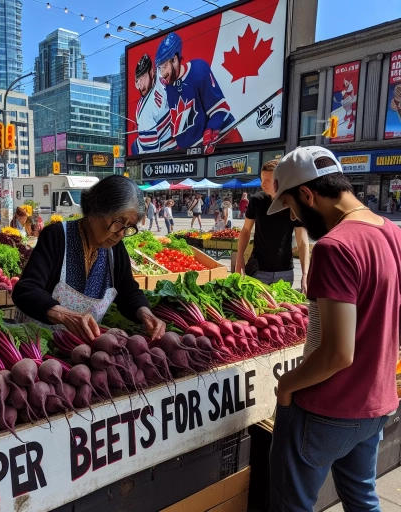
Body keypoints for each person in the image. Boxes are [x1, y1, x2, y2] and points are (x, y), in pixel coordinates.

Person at [268, 146, 401, 511]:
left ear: (308, 195)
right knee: (362, 498)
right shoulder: (393, 233)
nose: (296, 219)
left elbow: (337, 353)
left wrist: (286, 384)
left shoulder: (335, 246)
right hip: (376, 403)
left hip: (328, 408)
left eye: (294, 209)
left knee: (290, 504)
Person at [12, 176, 166, 342]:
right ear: (94, 210)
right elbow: (25, 290)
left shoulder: (115, 249)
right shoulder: (57, 237)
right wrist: (63, 315)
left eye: (129, 227)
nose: (121, 233)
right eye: (118, 222)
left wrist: (145, 313)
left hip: (80, 353)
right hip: (36, 348)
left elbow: (129, 293)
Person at [155, 32, 242, 154]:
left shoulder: (198, 71)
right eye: (160, 68)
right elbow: (177, 127)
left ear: (175, 59)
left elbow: (220, 109)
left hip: (225, 139)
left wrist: (211, 130)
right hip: (196, 152)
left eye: (164, 66)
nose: (162, 73)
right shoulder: (168, 88)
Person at [235, 160, 310, 293]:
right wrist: (239, 258)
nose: (263, 184)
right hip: (258, 270)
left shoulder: (293, 203)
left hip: (285, 271)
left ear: (279, 180)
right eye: (262, 179)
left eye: (267, 180)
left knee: (281, 309)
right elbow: (246, 230)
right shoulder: (257, 200)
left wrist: (305, 273)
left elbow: (302, 240)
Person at [131, 54, 176, 155]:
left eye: (144, 77)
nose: (141, 85)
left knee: (135, 147)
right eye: (138, 80)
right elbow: (151, 153)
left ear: (151, 72)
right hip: (167, 148)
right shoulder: (143, 112)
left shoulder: (161, 73)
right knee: (135, 148)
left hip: (172, 142)